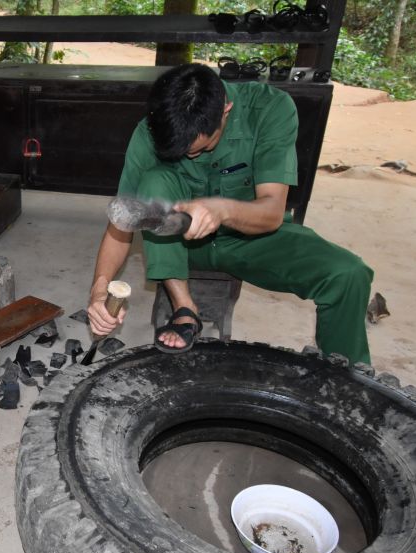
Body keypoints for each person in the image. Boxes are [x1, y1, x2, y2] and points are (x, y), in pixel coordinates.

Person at [87, 64, 373, 365]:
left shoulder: (270, 109)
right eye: (180, 153)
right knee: (155, 182)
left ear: (226, 110)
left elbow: (272, 212)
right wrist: (98, 291)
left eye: (199, 149)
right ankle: (185, 309)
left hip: (250, 238)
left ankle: (347, 377)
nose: (190, 157)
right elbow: (122, 224)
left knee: (348, 274)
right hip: (178, 243)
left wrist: (221, 210)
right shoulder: (148, 130)